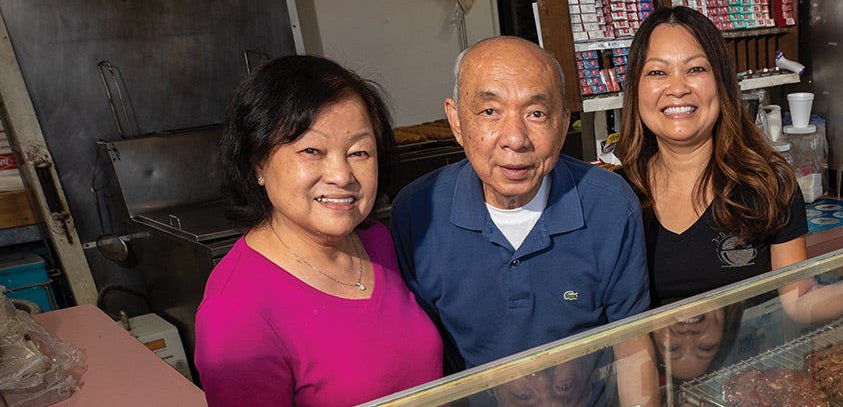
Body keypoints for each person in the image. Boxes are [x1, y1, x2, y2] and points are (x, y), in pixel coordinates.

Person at [616, 6, 843, 327]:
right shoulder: (614, 197)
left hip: (751, 374)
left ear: (722, 84)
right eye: (657, 72)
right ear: (635, 88)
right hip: (649, 375)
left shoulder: (768, 184)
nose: (677, 87)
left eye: (695, 69)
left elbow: (800, 300)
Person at [390, 36, 659, 405]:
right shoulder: (419, 213)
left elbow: (632, 343)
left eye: (536, 113)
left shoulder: (609, 205)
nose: (515, 139)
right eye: (490, 112)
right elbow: (422, 358)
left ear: (564, 125)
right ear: (455, 120)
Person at [194, 55, 442, 406]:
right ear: (258, 163)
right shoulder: (234, 314)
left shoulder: (376, 241)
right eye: (312, 150)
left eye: (359, 152)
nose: (342, 176)